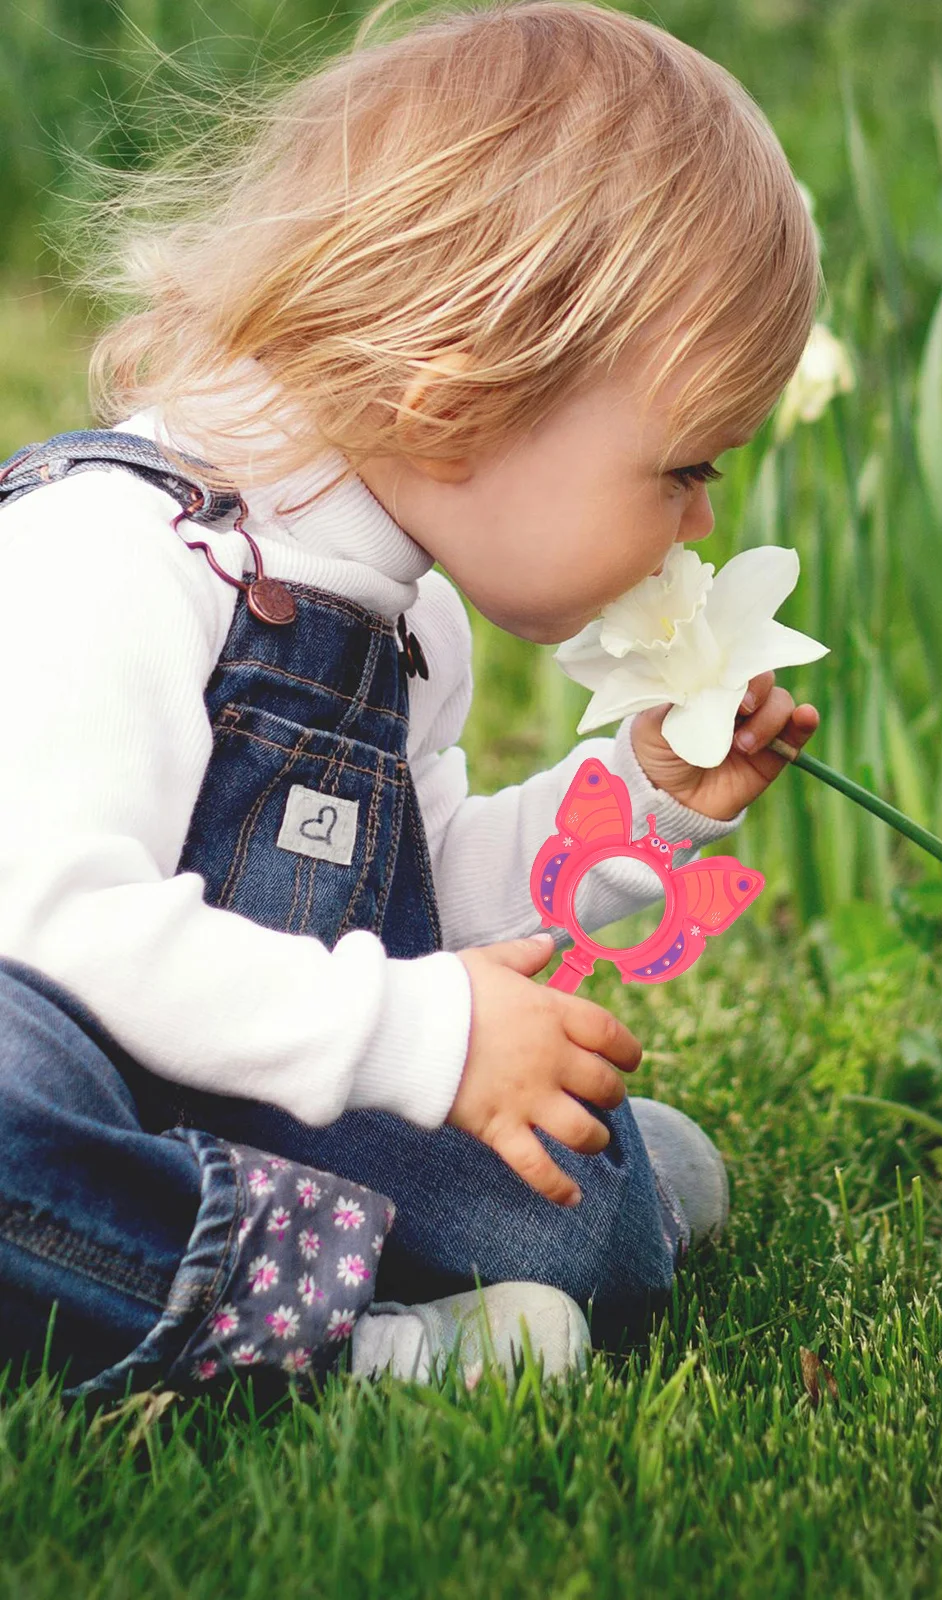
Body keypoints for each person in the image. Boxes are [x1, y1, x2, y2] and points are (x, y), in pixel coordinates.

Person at [0, 0, 821, 1396]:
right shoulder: (118, 556)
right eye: (684, 468)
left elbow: (409, 897)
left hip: (225, 1085)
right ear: (462, 397)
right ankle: (341, 1341)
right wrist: (416, 1039)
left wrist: (634, 806)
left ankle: (375, 1238)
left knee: (580, 1205)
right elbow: (53, 924)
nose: (692, 527)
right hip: (55, 1071)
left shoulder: (405, 614)